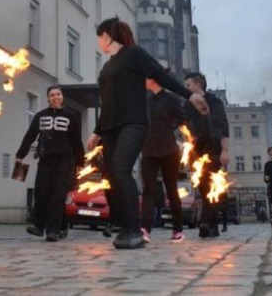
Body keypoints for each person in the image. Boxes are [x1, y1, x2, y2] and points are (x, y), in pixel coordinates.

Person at [86, 18, 208, 249]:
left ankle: (134, 230)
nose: (99, 41)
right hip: (110, 126)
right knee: (112, 176)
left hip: (133, 123)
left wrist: (189, 95)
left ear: (110, 35)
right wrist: (97, 131)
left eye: (100, 36)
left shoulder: (134, 54)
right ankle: (124, 226)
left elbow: (161, 75)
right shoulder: (108, 65)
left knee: (121, 169)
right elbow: (108, 101)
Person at [16, 86, 85, 242]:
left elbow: (76, 141)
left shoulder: (70, 116)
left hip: (63, 162)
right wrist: (20, 155)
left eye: (58, 94)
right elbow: (30, 136)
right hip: (45, 160)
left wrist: (80, 162)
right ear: (48, 98)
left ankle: (53, 230)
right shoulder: (40, 116)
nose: (55, 97)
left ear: (62, 97)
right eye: (52, 95)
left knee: (57, 196)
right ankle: (39, 226)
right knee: (41, 193)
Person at [140, 75, 190, 243]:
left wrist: (170, 125)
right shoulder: (145, 99)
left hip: (168, 149)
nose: (144, 81)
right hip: (148, 149)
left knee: (171, 189)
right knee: (148, 189)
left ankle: (177, 229)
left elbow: (183, 117)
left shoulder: (171, 98)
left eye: (147, 78)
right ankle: (145, 228)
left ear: (154, 80)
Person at [183, 72, 230, 238]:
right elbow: (184, 126)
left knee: (210, 184)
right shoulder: (188, 105)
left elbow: (224, 126)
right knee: (202, 186)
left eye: (188, 85)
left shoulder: (215, 102)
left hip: (213, 147)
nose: (186, 88)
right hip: (196, 150)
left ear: (197, 84)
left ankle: (204, 222)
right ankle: (213, 225)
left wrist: (225, 149)